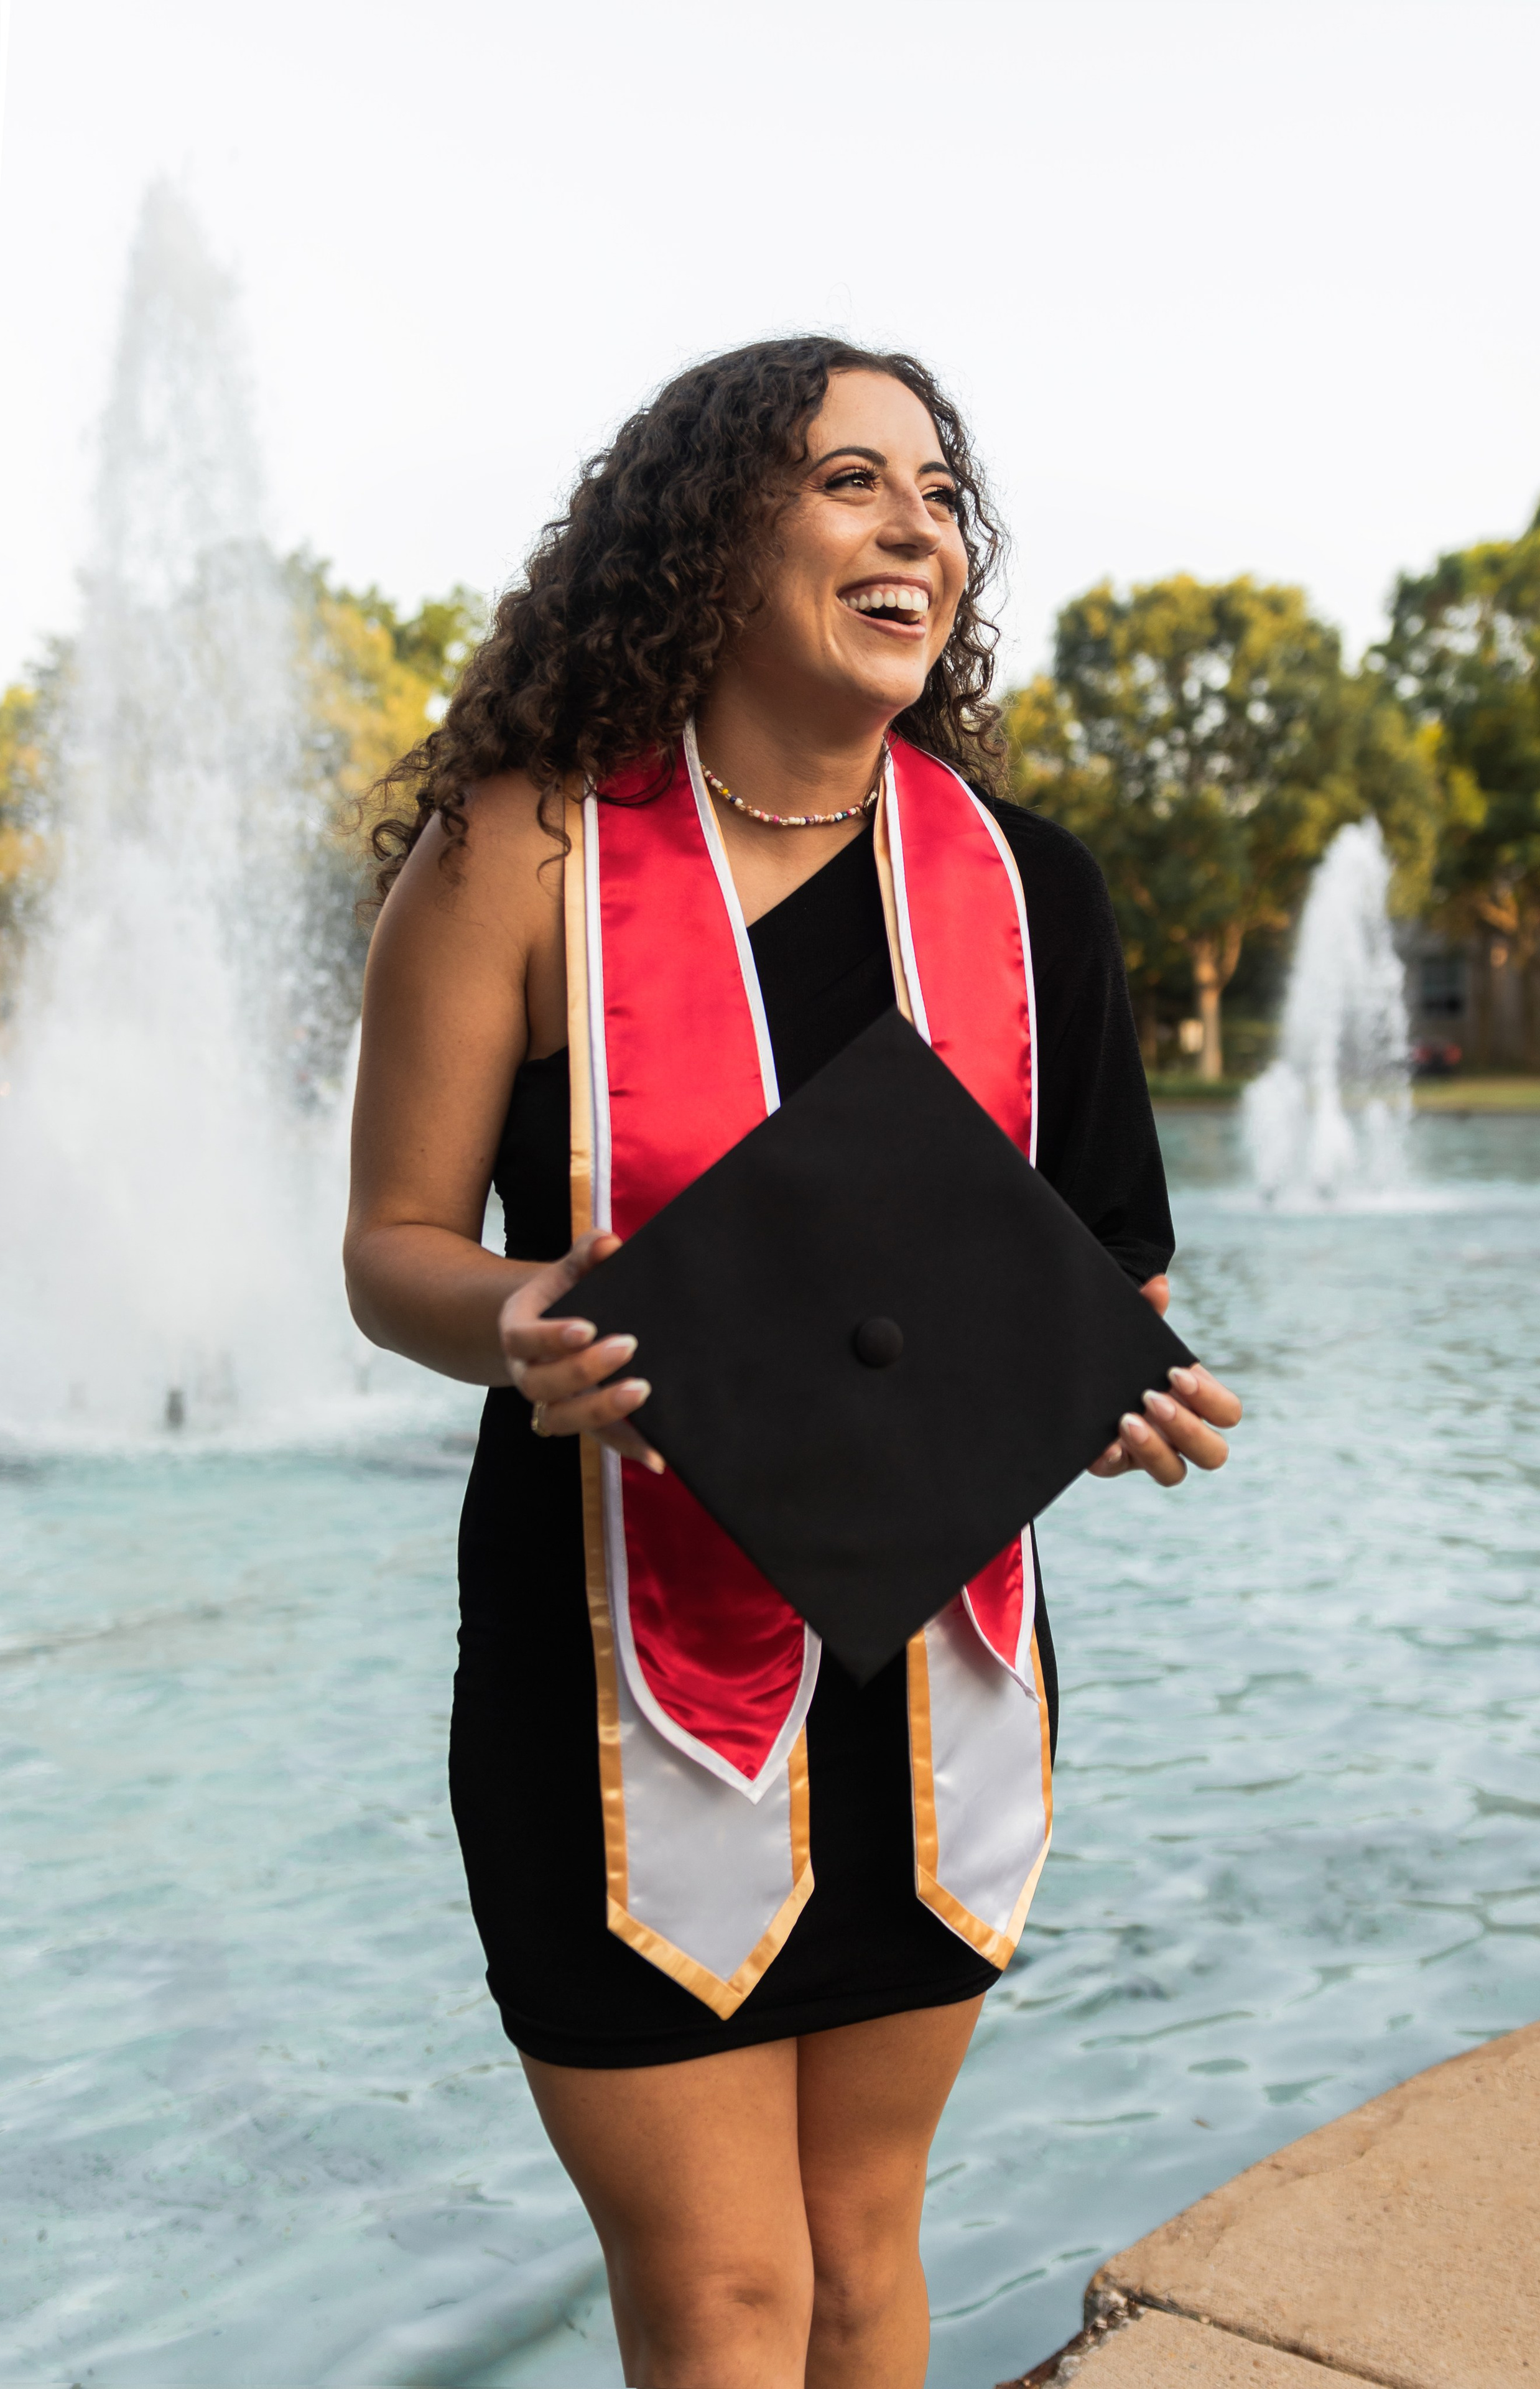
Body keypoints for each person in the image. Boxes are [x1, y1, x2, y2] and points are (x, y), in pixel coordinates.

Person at [343, 338, 1241, 2389]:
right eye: (852, 480)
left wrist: (1125, 1393)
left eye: (939, 493)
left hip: (934, 1671)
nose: (916, 523)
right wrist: (516, 1318)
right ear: (710, 534)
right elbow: (391, 1251)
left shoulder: (1032, 896)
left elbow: (1109, 1273)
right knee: (724, 2300)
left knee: (855, 2260)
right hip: (612, 1667)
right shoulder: (524, 858)